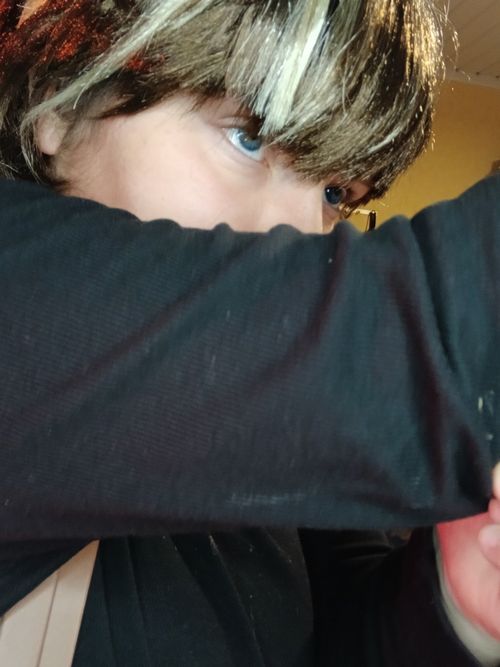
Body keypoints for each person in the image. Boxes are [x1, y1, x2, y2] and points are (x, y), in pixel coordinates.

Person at [0, 0, 499, 664]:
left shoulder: (256, 420)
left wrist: (455, 602)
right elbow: (430, 328)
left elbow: (343, 623)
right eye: (249, 137)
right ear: (58, 106)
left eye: (334, 194)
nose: (302, 234)